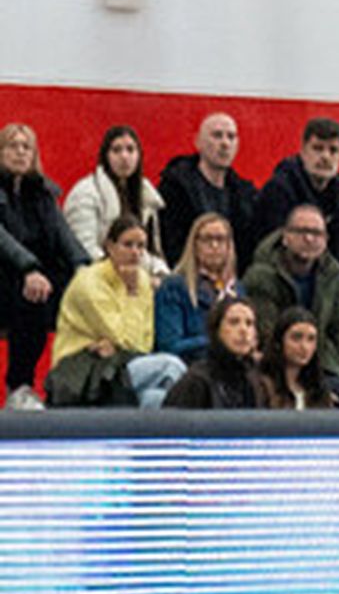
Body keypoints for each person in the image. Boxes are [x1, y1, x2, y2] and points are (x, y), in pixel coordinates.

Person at [46, 216, 185, 408]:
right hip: (84, 370)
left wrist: (122, 344)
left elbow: (144, 344)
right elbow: (127, 340)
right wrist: (131, 293)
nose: (135, 253)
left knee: (156, 398)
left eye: (141, 246)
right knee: (171, 366)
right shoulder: (88, 282)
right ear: (109, 246)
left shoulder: (142, 279)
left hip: (121, 365)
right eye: (128, 245)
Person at [0, 121, 87, 408]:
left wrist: (86, 269)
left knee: (83, 292)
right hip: (8, 275)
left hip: (38, 275)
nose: (20, 152)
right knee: (31, 295)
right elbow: (4, 243)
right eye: (13, 146)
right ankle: (19, 385)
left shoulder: (44, 193)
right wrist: (28, 268)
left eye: (27, 147)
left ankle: (78, 386)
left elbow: (64, 236)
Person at [242, 203, 339, 378]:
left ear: (326, 240)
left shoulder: (333, 273)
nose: (309, 238)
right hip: (275, 367)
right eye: (301, 231)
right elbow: (268, 334)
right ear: (285, 237)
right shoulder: (261, 276)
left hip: (324, 364)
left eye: (317, 233)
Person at [254, 118, 339, 273]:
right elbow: (271, 249)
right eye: (318, 148)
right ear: (303, 151)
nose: (325, 156)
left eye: (333, 150)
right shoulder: (279, 190)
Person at [62, 126, 167, 277]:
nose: (124, 156)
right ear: (105, 156)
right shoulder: (85, 193)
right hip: (94, 279)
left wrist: (161, 274)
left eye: (130, 149)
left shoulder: (146, 196)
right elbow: (84, 249)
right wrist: (121, 276)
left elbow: (151, 252)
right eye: (116, 150)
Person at [157, 112, 258, 269]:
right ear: (198, 142)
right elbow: (171, 243)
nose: (225, 143)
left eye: (231, 137)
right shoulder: (176, 188)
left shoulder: (245, 194)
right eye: (217, 136)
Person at [154, 213, 243, 359]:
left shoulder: (237, 290)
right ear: (194, 244)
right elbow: (169, 345)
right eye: (207, 239)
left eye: (220, 239)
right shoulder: (173, 287)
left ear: (229, 246)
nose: (214, 245)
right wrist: (217, 340)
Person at [162, 294, 265, 411]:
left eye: (249, 323)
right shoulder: (196, 382)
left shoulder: (256, 381)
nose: (243, 330)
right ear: (216, 330)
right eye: (234, 322)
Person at [258, 306, 337, 411]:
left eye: (311, 339)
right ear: (279, 342)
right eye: (296, 338)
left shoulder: (319, 390)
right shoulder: (262, 385)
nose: (304, 346)